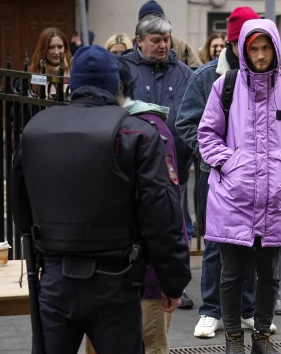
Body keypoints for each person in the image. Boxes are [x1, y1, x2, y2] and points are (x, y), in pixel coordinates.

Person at [10, 45, 191, 354]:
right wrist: (173, 282)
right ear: (117, 85)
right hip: (115, 281)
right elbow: (162, 216)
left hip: (54, 279)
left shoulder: (35, 129)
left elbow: (19, 204)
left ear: (73, 85)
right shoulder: (136, 133)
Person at [198, 19, 281, 354]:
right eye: (254, 48)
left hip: (275, 197)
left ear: (276, 49)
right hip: (232, 197)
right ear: (244, 50)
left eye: (267, 48)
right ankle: (234, 337)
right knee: (232, 274)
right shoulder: (226, 85)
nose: (261, 55)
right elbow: (207, 134)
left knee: (270, 274)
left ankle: (262, 337)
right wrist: (231, 164)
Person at [96, 57, 185, 354]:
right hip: (112, 264)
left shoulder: (152, 129)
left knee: (152, 344)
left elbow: (167, 207)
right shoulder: (101, 127)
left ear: (118, 89)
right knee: (120, 345)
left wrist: (172, 276)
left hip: (149, 263)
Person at [176, 6, 278, 339]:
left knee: (253, 240)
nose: (249, 50)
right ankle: (211, 310)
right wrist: (219, 157)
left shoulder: (271, 77)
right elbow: (187, 123)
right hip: (216, 173)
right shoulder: (207, 76)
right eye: (242, 43)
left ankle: (247, 310)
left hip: (258, 176)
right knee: (219, 243)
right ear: (234, 43)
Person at [121, 13, 195, 309]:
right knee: (137, 227)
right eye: (156, 40)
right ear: (139, 41)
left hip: (175, 166)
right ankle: (134, 279)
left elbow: (194, 117)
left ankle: (174, 283)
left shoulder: (185, 73)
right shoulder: (124, 70)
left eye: (166, 39)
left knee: (175, 225)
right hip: (132, 166)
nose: (163, 45)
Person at [138, 0, 202, 67]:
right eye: (155, 40)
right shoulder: (131, 45)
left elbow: (197, 69)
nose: (162, 46)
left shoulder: (180, 47)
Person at [29, 27, 72, 97]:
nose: (56, 52)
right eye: (51, 47)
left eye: (60, 47)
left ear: (65, 48)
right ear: (43, 49)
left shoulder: (74, 71)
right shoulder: (31, 73)